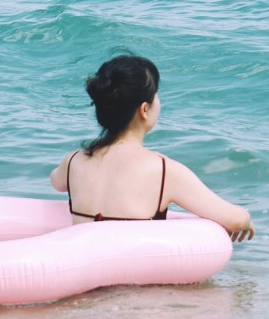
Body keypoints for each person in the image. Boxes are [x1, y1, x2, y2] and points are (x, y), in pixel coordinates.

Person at [50, 54, 255, 241]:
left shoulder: (73, 161)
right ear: (144, 109)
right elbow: (234, 220)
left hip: (86, 274)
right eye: (156, 94)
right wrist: (245, 217)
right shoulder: (164, 171)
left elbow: (56, 182)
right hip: (134, 278)